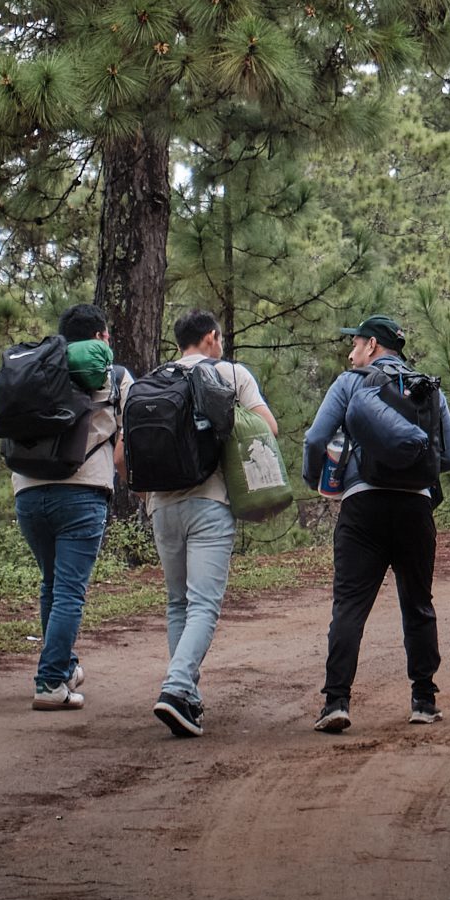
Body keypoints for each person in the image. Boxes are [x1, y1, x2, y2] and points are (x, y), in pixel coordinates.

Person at [303, 314, 450, 733]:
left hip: (363, 506)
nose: (350, 351)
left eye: (354, 343)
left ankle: (336, 701)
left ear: (372, 345)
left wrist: (314, 478)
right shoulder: (428, 387)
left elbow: (317, 438)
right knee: (418, 603)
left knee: (350, 605)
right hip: (415, 508)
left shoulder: (351, 383)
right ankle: (424, 700)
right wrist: (411, 464)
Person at [146, 309, 278, 737]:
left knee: (177, 603)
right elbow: (268, 429)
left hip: (161, 505)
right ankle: (176, 686)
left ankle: (188, 699)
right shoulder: (231, 374)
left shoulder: (154, 380)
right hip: (209, 501)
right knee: (203, 604)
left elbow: (126, 458)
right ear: (210, 338)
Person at [11, 303, 132, 711]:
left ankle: (63, 667)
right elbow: (129, 435)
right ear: (100, 337)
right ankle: (49, 683)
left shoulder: (39, 372)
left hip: (27, 490)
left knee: (51, 584)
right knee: (69, 591)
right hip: (81, 491)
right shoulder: (114, 375)